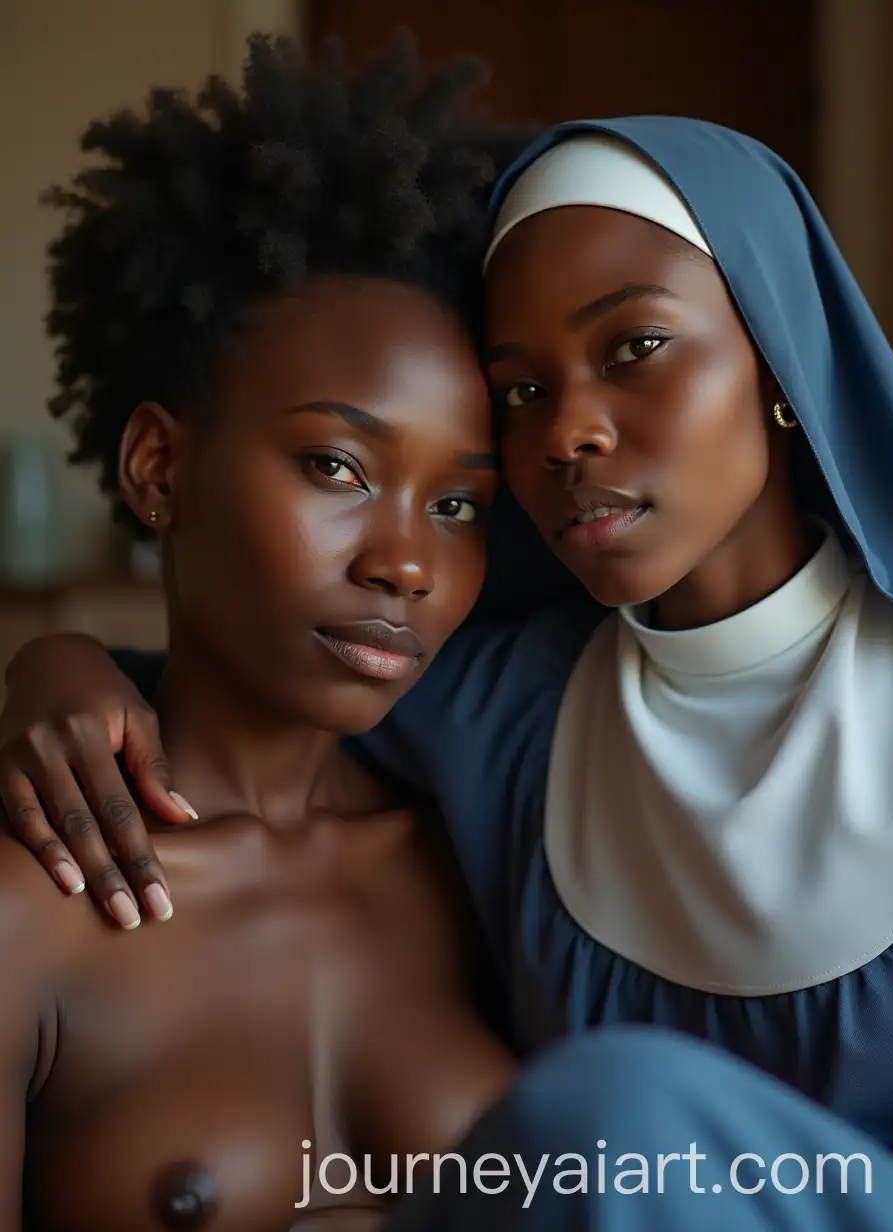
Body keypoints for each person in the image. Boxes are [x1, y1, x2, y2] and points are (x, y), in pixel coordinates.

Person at [5, 108, 893, 1229]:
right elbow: (236, 680)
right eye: (525, 390)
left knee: (606, 1115)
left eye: (634, 345)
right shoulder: (504, 730)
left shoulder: (445, 839)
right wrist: (56, 664)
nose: (570, 431)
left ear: (779, 347)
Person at [0, 31, 537, 1231]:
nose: (406, 559)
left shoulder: (489, 869)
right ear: (157, 465)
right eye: (337, 464)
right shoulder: (31, 905)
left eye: (457, 504)